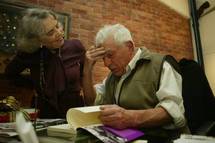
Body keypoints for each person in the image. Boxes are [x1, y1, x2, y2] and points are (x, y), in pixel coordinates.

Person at [83, 24, 190, 141]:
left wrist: (129, 118)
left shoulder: (160, 65)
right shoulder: (112, 77)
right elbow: (91, 102)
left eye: (110, 55)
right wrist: (87, 70)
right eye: (103, 57)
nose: (106, 63)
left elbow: (173, 111)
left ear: (129, 47)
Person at [5, 8, 85, 118]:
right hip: (44, 114)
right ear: (37, 40)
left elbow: (83, 75)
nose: (59, 33)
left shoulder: (76, 47)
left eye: (57, 26)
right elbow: (10, 74)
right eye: (50, 32)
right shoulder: (30, 54)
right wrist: (34, 84)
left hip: (74, 113)